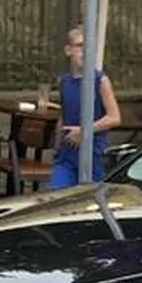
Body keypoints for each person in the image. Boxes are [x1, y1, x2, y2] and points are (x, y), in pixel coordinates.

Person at [51, 25, 121, 189]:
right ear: (68, 50)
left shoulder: (100, 80)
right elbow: (64, 114)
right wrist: (57, 145)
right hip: (67, 154)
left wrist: (85, 130)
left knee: (89, 199)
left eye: (89, 47)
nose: (84, 51)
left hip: (92, 154)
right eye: (80, 46)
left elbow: (115, 117)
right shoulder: (64, 81)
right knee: (57, 196)